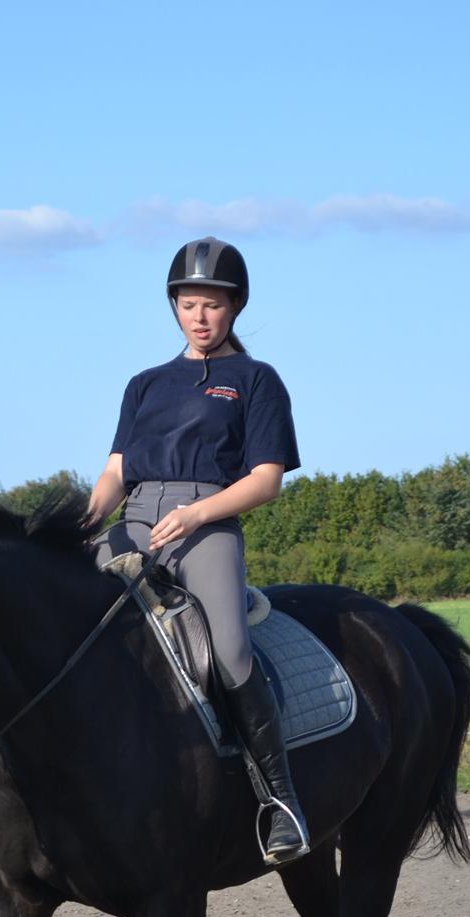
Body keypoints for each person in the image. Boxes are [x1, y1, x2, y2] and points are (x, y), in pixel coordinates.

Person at [87, 236, 309, 865]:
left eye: (213, 304)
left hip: (206, 524)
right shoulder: (145, 384)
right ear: (174, 307)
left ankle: (279, 800)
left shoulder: (256, 381)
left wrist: (195, 514)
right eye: (189, 304)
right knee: (56, 628)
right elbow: (115, 471)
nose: (200, 316)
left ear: (233, 307)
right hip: (131, 521)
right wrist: (89, 516)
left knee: (232, 653)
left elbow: (266, 479)